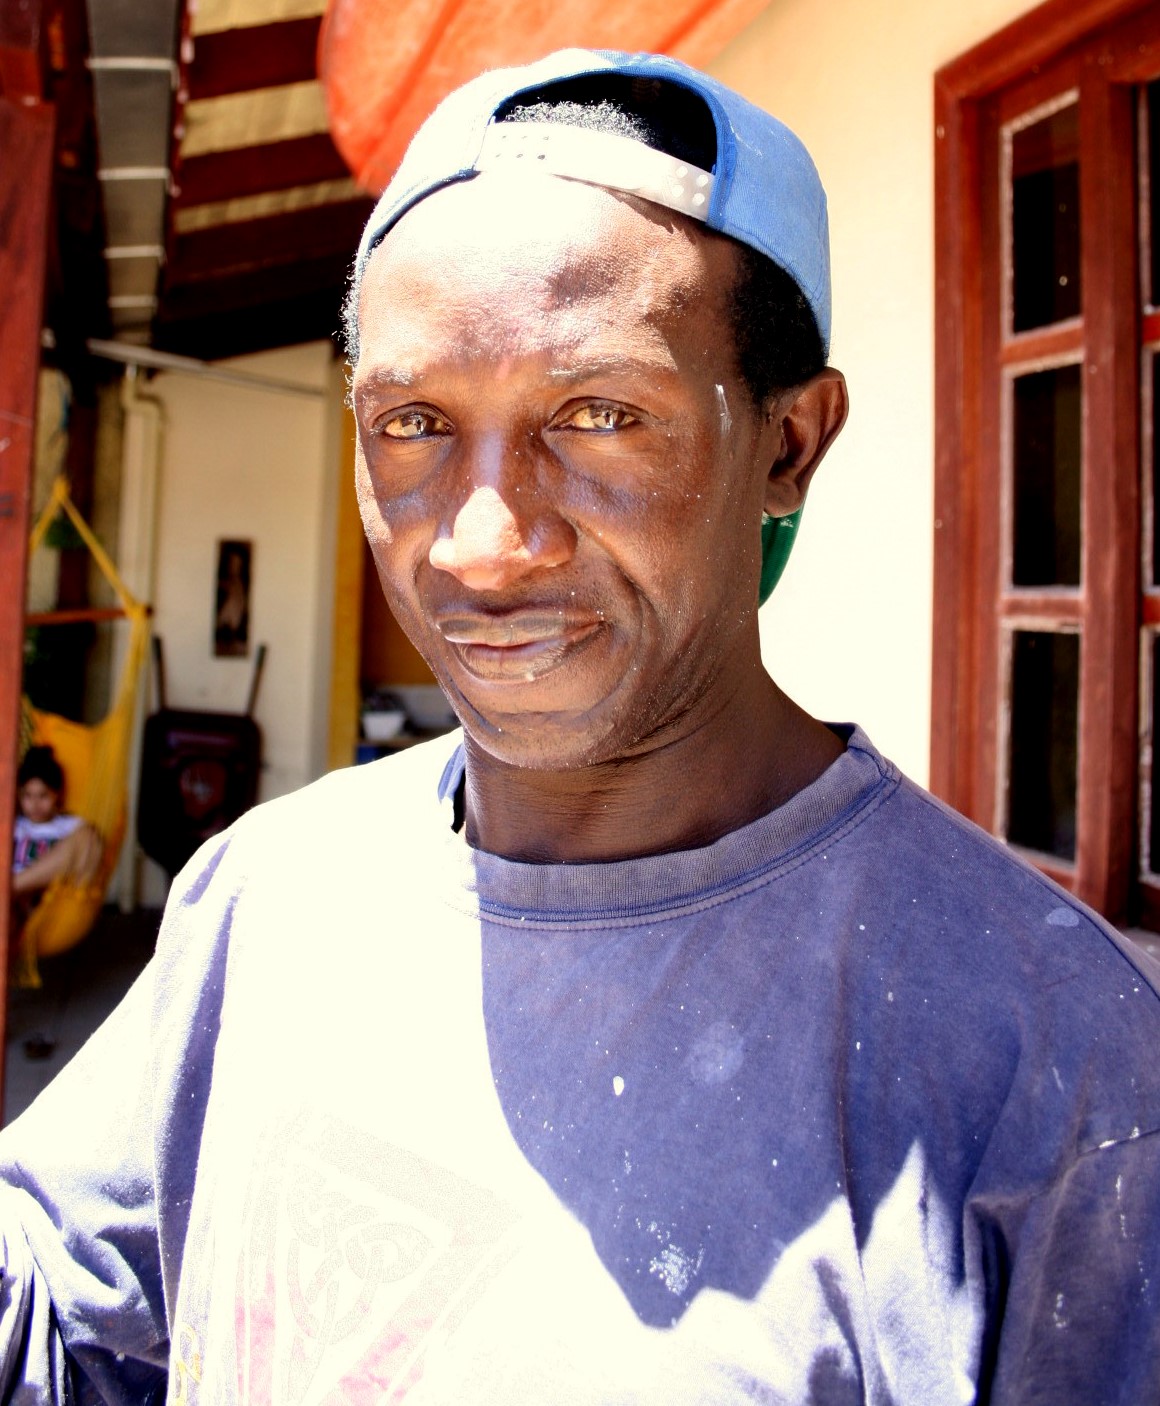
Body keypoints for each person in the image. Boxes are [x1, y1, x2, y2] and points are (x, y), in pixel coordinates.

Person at [0, 48, 1158, 1405]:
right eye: (416, 424)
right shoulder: (271, 896)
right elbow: (57, 1305)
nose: (484, 545)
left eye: (599, 415)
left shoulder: (1052, 1064)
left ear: (788, 443)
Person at [10, 746, 101, 910]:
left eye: (43, 795)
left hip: (50, 898)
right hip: (16, 903)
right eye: (27, 795)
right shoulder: (14, 826)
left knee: (88, 836)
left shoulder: (70, 826)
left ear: (56, 794)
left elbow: (92, 848)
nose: (35, 804)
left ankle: (11, 887)